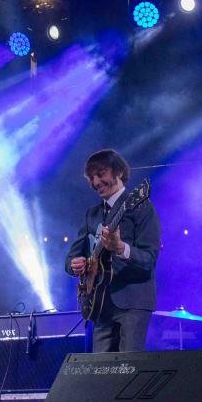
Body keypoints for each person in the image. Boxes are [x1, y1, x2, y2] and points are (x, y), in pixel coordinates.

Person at [65, 149, 160, 353]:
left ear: (118, 172)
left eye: (100, 174)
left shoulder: (141, 206)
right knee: (101, 372)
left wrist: (120, 247)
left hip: (133, 301)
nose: (96, 182)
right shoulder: (92, 214)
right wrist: (76, 265)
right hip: (100, 304)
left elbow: (149, 259)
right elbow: (71, 257)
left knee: (127, 369)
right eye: (91, 177)